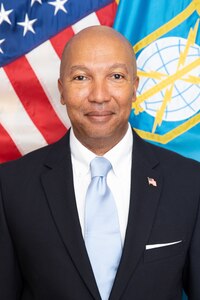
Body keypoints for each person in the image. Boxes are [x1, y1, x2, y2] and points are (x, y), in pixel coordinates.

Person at [0, 25, 200, 300]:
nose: (99, 96)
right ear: (61, 90)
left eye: (115, 76)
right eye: (81, 77)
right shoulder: (10, 186)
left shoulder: (190, 182)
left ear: (134, 87)